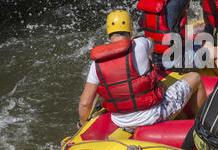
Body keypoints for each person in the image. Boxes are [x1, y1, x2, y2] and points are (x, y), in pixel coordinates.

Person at [78, 10, 207, 132]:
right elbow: (151, 43)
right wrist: (137, 38)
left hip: (122, 123)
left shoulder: (96, 63)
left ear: (108, 33)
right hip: (152, 116)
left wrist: (83, 124)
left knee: (164, 93)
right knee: (194, 77)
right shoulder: (140, 44)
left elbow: (85, 104)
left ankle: (183, 121)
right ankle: (202, 129)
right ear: (130, 30)